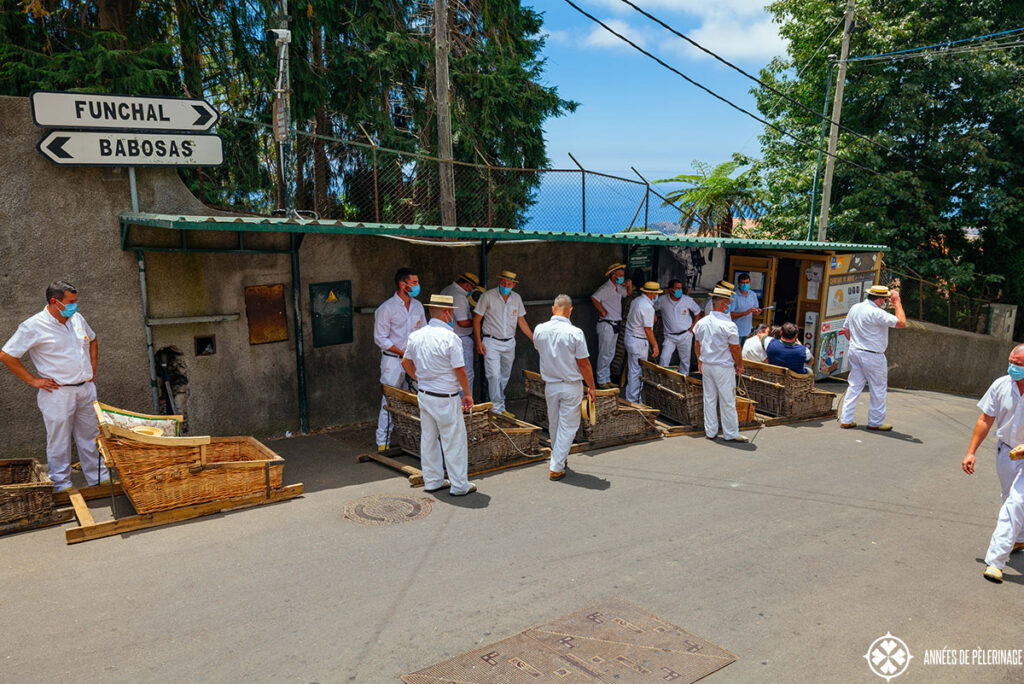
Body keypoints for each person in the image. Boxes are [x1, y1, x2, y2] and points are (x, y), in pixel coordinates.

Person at [0, 281, 109, 492]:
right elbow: (7, 355)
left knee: (91, 436)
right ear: (54, 302)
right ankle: (61, 485)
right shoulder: (33, 326)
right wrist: (33, 380)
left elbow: (93, 340)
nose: (75, 306)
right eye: (71, 302)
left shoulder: (77, 318)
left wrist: (92, 368)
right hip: (58, 393)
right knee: (59, 440)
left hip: (85, 389)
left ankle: (98, 478)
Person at [402, 295, 476, 496]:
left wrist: (421, 378)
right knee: (454, 441)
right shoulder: (450, 338)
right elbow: (460, 370)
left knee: (429, 439)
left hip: (425, 394)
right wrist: (467, 394)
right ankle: (459, 485)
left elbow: (405, 363)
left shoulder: (416, 336)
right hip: (446, 396)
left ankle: (433, 480)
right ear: (447, 313)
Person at [962, 344, 1024, 583]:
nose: (1013, 367)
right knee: (1009, 499)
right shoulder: (1001, 385)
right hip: (1006, 453)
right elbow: (985, 419)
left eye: (1019, 364)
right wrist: (971, 452)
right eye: (1011, 361)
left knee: (1017, 501)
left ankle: (995, 562)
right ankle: (1018, 537)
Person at [533, 295, 598, 480]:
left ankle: (558, 457)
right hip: (571, 385)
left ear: (553, 309)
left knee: (554, 423)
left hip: (550, 385)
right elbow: (584, 364)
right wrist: (591, 387)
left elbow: (540, 350)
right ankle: (556, 465)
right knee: (568, 426)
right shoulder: (575, 333)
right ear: (570, 311)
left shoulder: (539, 330)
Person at [838, 285, 907, 430]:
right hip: (872, 355)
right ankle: (875, 422)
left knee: (854, 385)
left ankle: (846, 418)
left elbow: (846, 330)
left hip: (855, 351)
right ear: (881, 299)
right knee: (878, 388)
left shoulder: (855, 308)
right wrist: (897, 302)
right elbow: (901, 322)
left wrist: (857, 343)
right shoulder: (876, 313)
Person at [373, 268, 426, 451]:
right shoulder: (386, 308)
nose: (418, 286)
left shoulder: (418, 306)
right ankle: (383, 441)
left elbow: (423, 331)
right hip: (393, 360)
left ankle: (411, 438)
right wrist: (403, 352)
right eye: (414, 283)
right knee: (390, 399)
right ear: (403, 284)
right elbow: (380, 338)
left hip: (413, 360)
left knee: (413, 399)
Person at [473, 270, 533, 417]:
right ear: (499, 282)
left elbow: (521, 321)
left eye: (509, 283)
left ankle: (498, 404)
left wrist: (533, 338)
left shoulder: (516, 298)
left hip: (509, 342)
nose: (506, 285)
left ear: (513, 284)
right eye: (504, 282)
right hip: (491, 341)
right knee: (493, 375)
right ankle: (497, 408)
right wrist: (478, 342)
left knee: (504, 376)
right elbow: (476, 319)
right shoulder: (488, 296)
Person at [693, 285, 747, 442]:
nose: (729, 305)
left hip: (707, 364)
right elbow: (735, 349)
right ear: (724, 305)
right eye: (728, 302)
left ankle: (710, 431)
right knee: (727, 400)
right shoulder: (728, 325)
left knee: (709, 399)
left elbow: (697, 344)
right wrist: (740, 365)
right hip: (722, 366)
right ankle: (730, 433)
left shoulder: (702, 322)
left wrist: (699, 361)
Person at [590, 262, 632, 389]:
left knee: (611, 353)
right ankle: (601, 380)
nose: (622, 277)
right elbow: (594, 298)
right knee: (604, 353)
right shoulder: (605, 288)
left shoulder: (618, 287)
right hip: (607, 324)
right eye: (620, 275)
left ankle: (606, 378)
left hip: (615, 324)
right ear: (613, 276)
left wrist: (629, 286)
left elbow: (627, 294)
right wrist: (602, 310)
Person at [440, 272, 480, 390]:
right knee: (466, 374)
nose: (471, 291)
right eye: (472, 288)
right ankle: (466, 406)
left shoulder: (446, 290)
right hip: (460, 338)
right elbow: (462, 322)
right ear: (468, 285)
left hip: (444, 338)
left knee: (449, 375)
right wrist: (478, 321)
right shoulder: (459, 296)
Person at [623, 282, 661, 403]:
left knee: (633, 370)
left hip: (631, 337)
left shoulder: (637, 301)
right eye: (655, 293)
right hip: (639, 341)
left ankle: (632, 398)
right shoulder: (647, 306)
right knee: (637, 372)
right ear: (651, 293)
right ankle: (634, 400)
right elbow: (648, 329)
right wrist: (655, 345)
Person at [656, 279, 702, 374]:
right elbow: (651, 308)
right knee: (664, 359)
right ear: (670, 290)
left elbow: (698, 311)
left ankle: (683, 382)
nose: (679, 290)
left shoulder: (687, 300)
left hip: (685, 335)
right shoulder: (662, 300)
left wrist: (693, 326)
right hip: (669, 336)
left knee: (685, 361)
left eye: (680, 288)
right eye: (677, 288)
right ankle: (661, 380)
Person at [729, 273, 762, 345]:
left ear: (750, 283)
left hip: (748, 331)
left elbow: (756, 310)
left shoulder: (752, 294)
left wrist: (757, 312)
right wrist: (745, 313)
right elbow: (730, 315)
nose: (745, 285)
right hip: (736, 331)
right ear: (738, 283)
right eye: (743, 283)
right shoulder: (734, 296)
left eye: (747, 282)